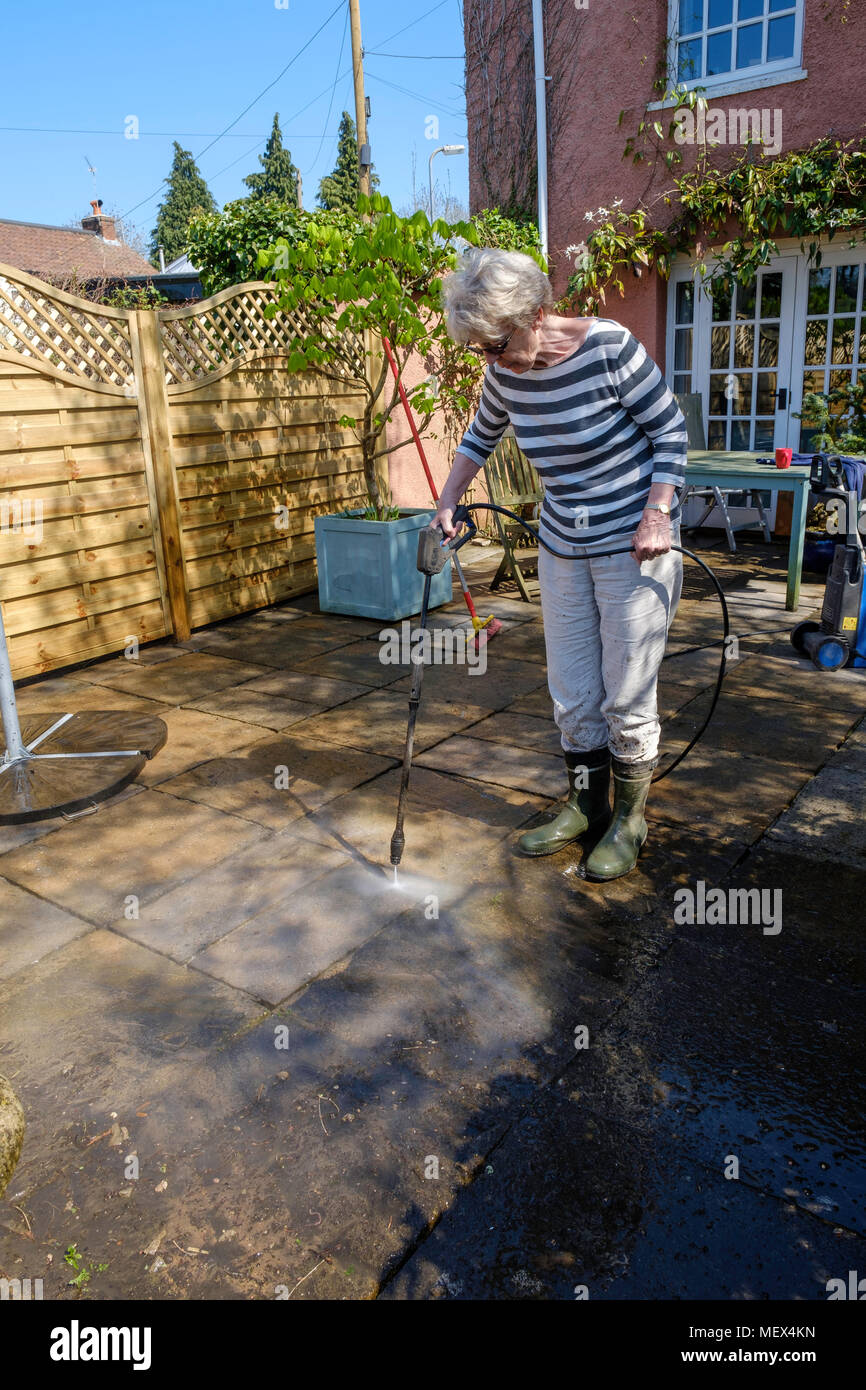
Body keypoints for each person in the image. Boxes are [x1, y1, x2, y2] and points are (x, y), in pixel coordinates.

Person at [431, 247, 688, 881]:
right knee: (573, 690)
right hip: (561, 545)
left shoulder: (610, 348)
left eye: (498, 344)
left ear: (538, 312)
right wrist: (447, 496)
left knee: (627, 691)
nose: (492, 361)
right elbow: (479, 436)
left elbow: (672, 431)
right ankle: (583, 804)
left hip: (635, 542)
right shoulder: (502, 371)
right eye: (481, 351)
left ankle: (628, 820)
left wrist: (659, 513)